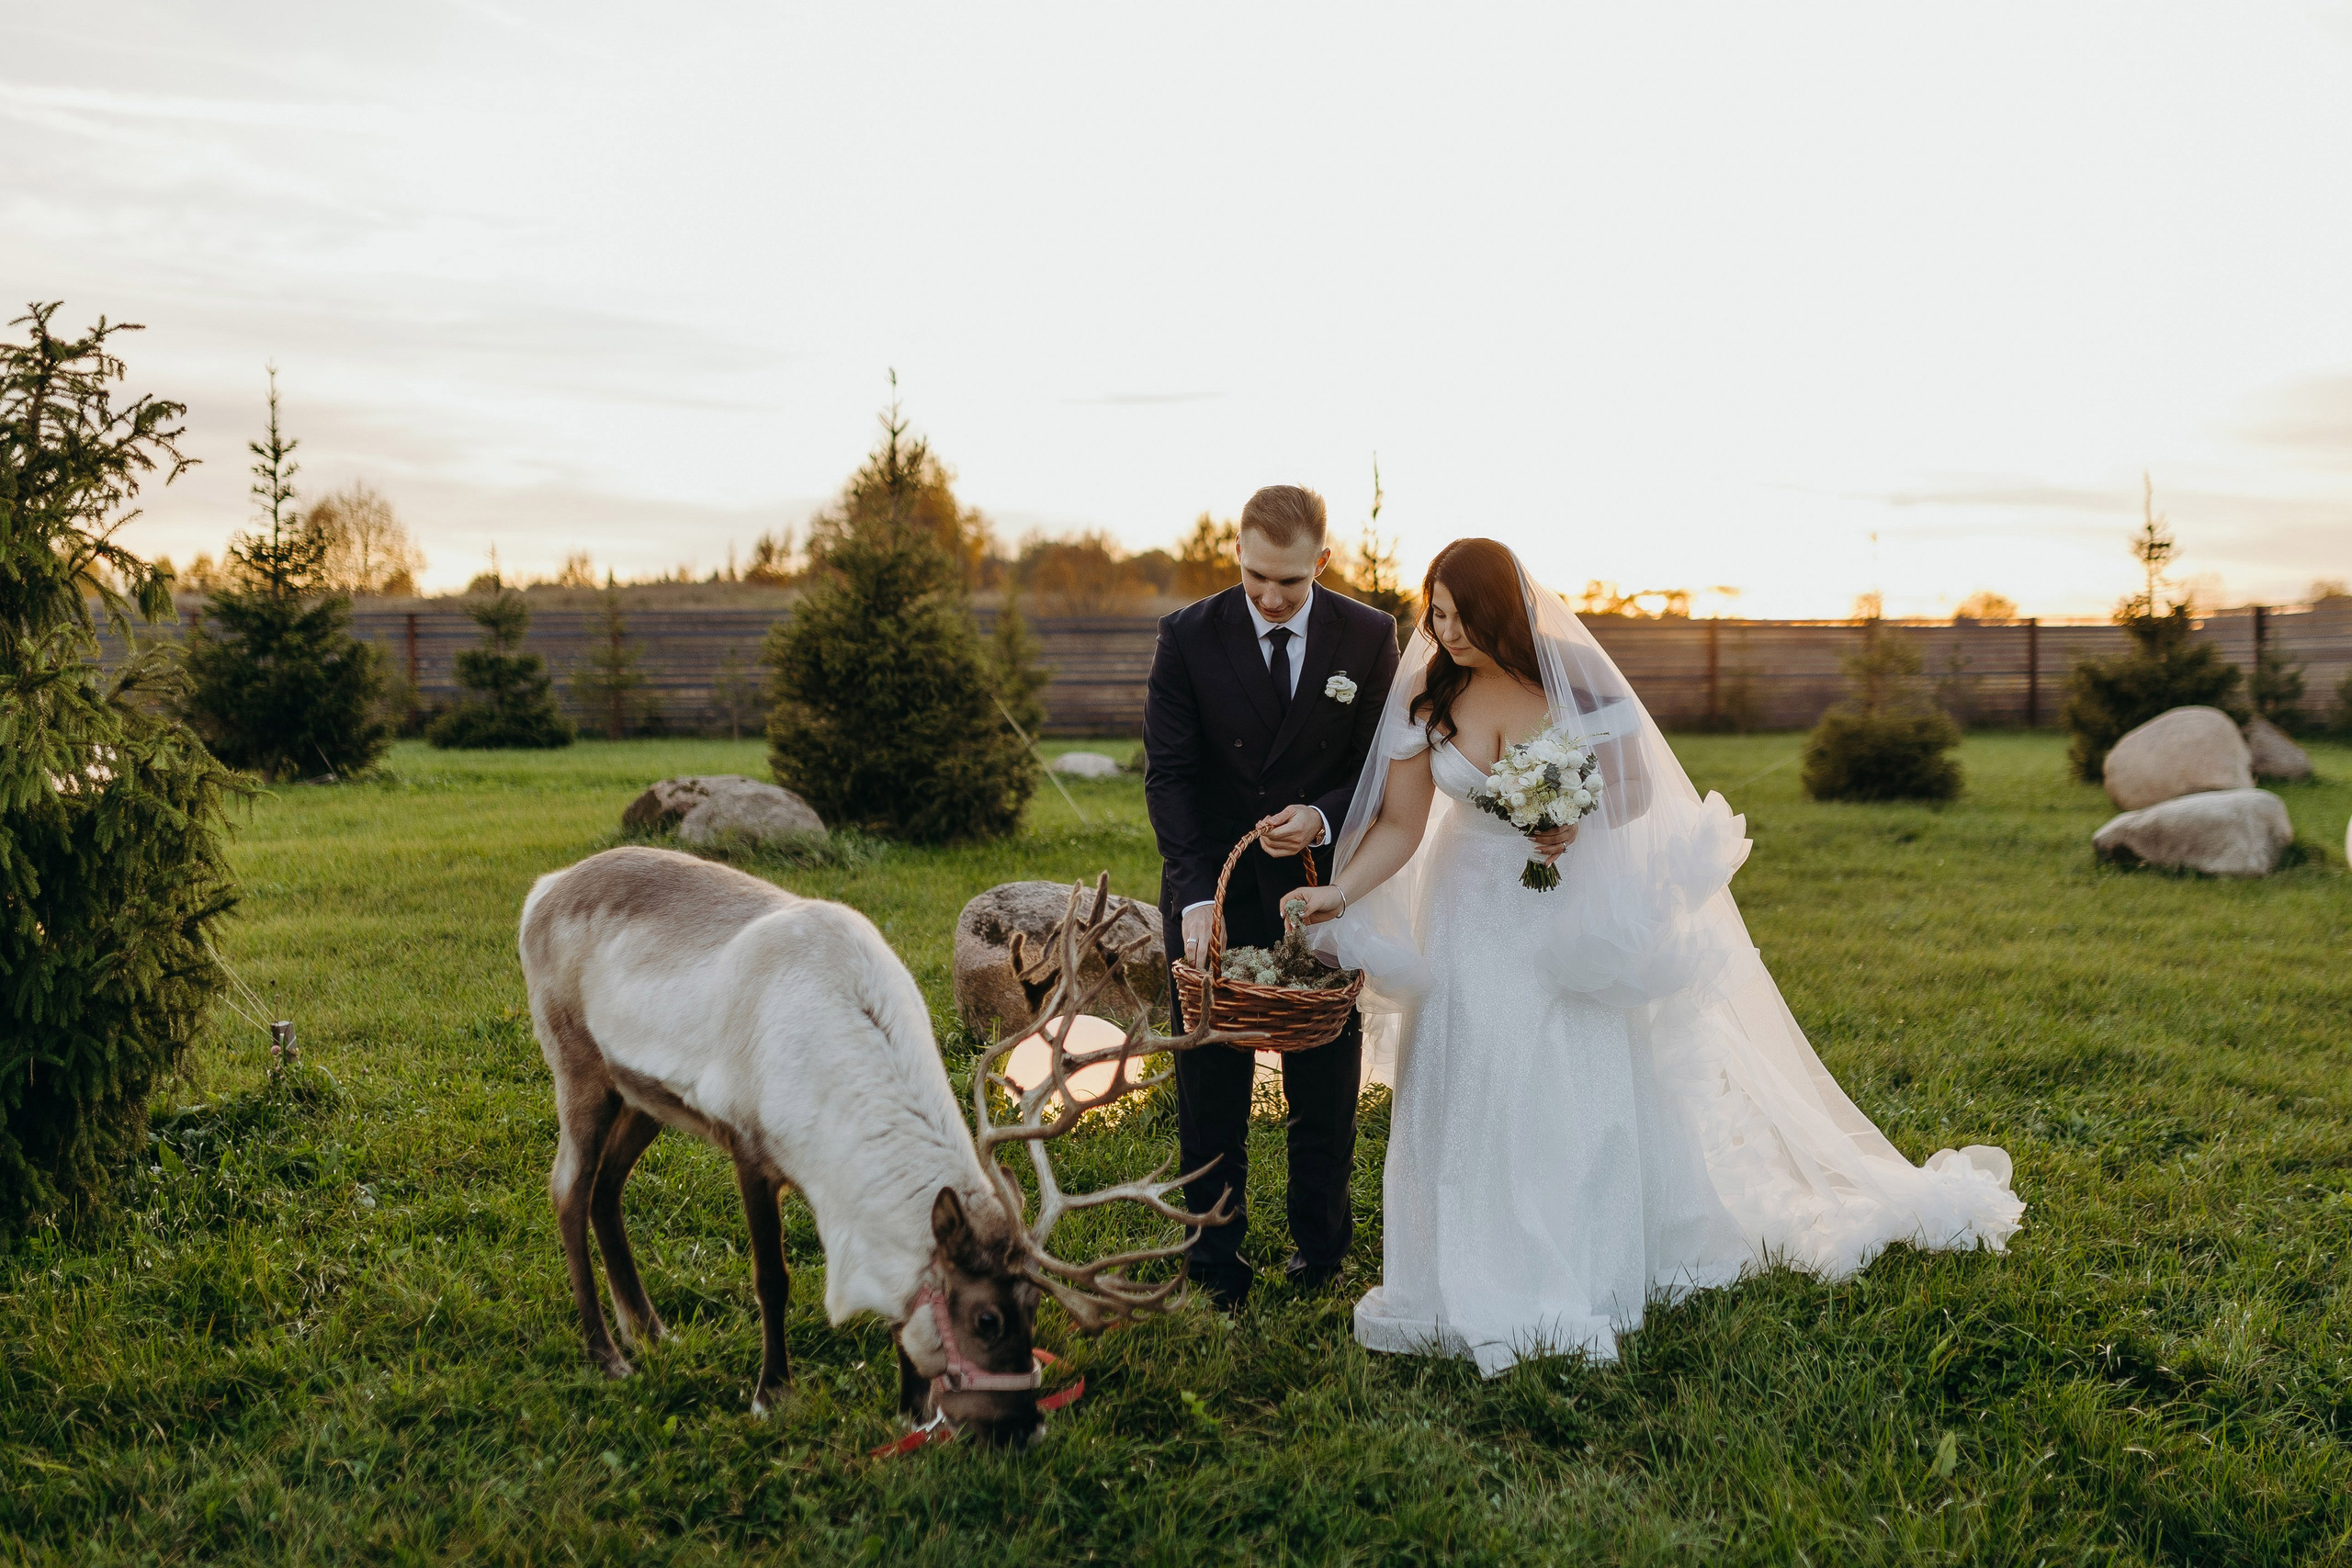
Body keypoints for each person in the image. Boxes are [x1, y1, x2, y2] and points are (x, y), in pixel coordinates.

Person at [1280, 538, 2023, 1374]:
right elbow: (1401, 826)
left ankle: (1576, 1259)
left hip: (1556, 907)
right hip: (1466, 908)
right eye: (1435, 614)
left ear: (1497, 611)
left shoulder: (1575, 679)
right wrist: (1337, 895)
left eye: (1457, 616)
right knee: (1468, 1068)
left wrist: (1569, 819)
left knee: (1560, 1071)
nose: (1441, 631)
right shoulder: (1429, 692)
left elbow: (1634, 789)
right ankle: (1455, 1271)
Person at [1142, 486, 1443, 1311]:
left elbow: (1381, 766)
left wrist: (1320, 816)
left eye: (1288, 582)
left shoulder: (1367, 634)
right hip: (1212, 884)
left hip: (1321, 889)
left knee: (1322, 1081)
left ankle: (1320, 1254)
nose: (1270, 597)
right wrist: (1195, 893)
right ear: (1236, 555)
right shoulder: (1188, 636)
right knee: (1211, 1087)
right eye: (1253, 577)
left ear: (1322, 561)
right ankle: (1213, 1265)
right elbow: (1169, 776)